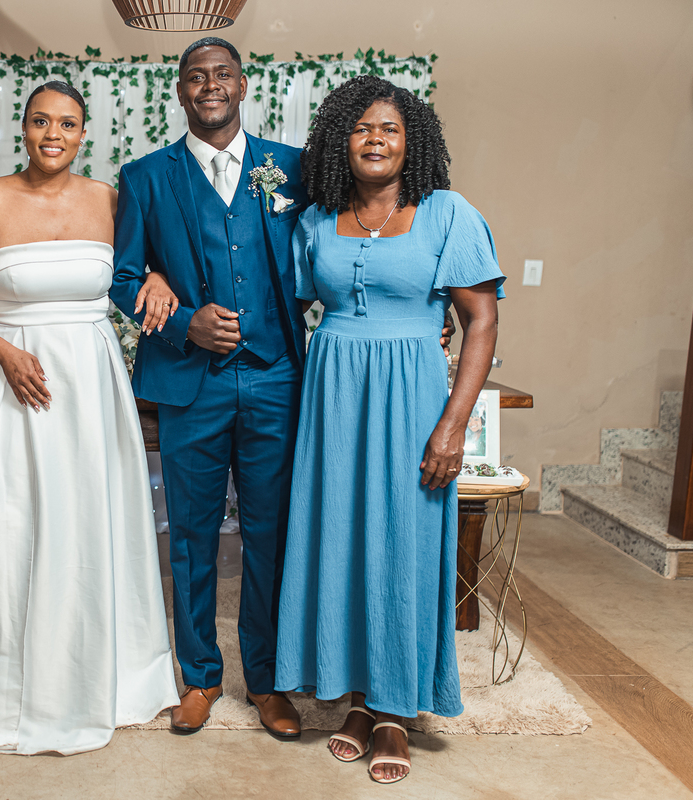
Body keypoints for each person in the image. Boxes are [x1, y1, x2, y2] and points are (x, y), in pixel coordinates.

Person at [0, 81, 179, 755]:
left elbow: (142, 270)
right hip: (10, 381)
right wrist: (6, 353)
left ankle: (101, 679)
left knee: (91, 518)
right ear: (22, 128)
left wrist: (159, 278)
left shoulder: (109, 200)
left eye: (66, 123)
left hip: (91, 384)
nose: (52, 134)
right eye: (39, 121)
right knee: (9, 521)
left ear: (83, 133)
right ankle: (0, 689)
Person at [273, 75, 504, 784]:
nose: (375, 139)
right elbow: (289, 306)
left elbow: (481, 321)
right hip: (333, 398)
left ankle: (396, 710)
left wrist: (452, 427)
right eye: (362, 128)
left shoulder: (448, 214)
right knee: (340, 542)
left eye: (390, 129)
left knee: (404, 544)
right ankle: (355, 701)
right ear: (340, 140)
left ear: (413, 142)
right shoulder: (316, 220)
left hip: (412, 399)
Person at [107, 37, 310, 738]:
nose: (210, 85)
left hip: (276, 375)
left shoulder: (291, 167)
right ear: (181, 92)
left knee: (270, 533)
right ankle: (199, 675)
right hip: (190, 383)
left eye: (222, 74)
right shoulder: (145, 176)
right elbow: (123, 277)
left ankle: (268, 680)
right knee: (190, 535)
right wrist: (180, 323)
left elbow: (328, 246)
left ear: (243, 85)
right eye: (196, 76)